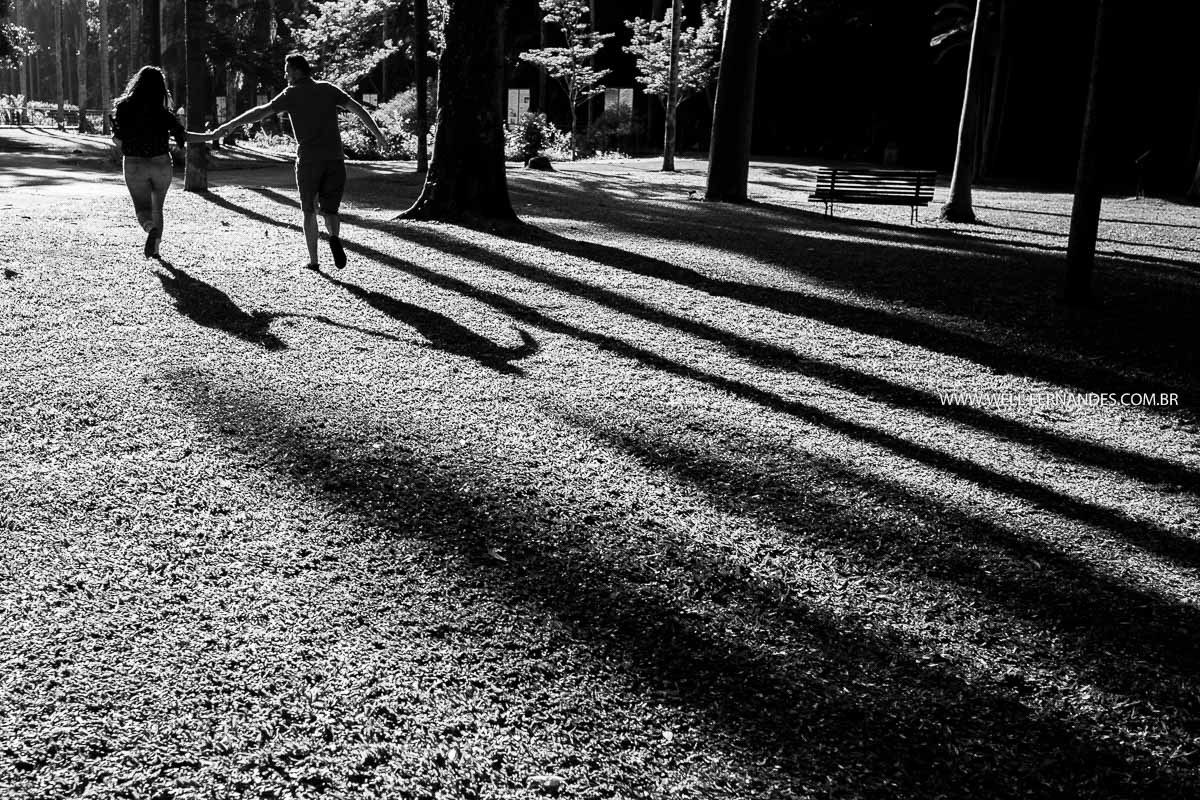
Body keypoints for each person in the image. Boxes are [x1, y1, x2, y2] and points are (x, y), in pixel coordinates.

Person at [212, 53, 388, 271]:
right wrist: (378, 134)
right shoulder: (328, 89)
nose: (285, 76)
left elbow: (260, 112)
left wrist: (231, 124)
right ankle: (334, 237)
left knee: (309, 210)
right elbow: (357, 108)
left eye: (287, 71)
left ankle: (314, 261)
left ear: (297, 71)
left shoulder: (291, 94)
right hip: (335, 159)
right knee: (331, 211)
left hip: (309, 160)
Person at [111, 66, 211, 259]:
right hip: (161, 163)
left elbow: (117, 139)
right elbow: (184, 136)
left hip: (134, 164)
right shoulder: (163, 113)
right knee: (157, 208)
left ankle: (150, 229)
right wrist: (212, 135)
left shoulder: (124, 107)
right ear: (160, 87)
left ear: (137, 83)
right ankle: (155, 249)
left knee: (142, 209)